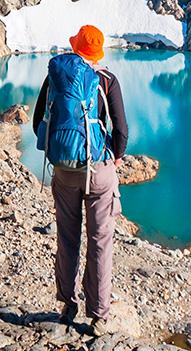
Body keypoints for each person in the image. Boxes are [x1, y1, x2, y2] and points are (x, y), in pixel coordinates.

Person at [32, 24, 128, 333]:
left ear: (75, 48)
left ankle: (67, 304)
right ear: (98, 52)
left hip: (64, 171)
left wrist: (63, 153)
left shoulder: (56, 76)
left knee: (67, 237)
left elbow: (38, 123)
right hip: (98, 172)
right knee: (100, 241)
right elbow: (121, 131)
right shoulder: (106, 80)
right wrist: (114, 155)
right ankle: (99, 315)